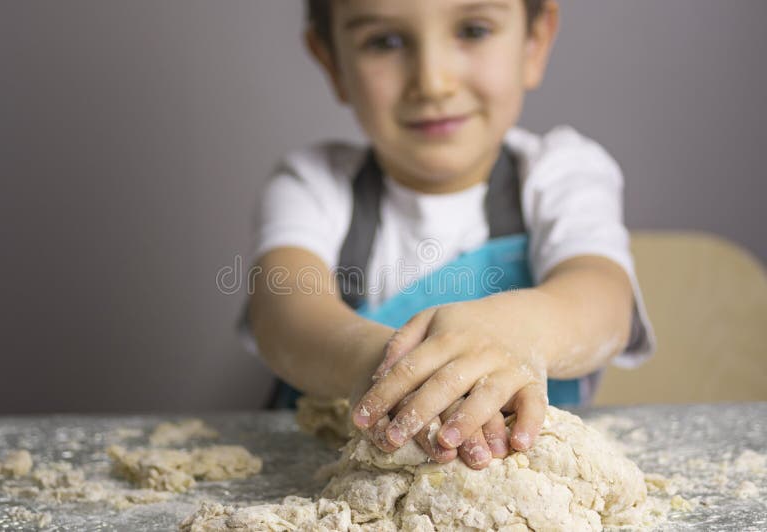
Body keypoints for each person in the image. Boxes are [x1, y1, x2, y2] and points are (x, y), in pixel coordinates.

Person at [242, 0, 655, 471]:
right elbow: (283, 313)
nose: (433, 82)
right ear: (331, 61)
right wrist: (390, 369)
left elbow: (603, 301)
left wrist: (514, 331)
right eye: (386, 42)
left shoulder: (562, 174)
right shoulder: (314, 185)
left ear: (534, 42)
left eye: (474, 30)